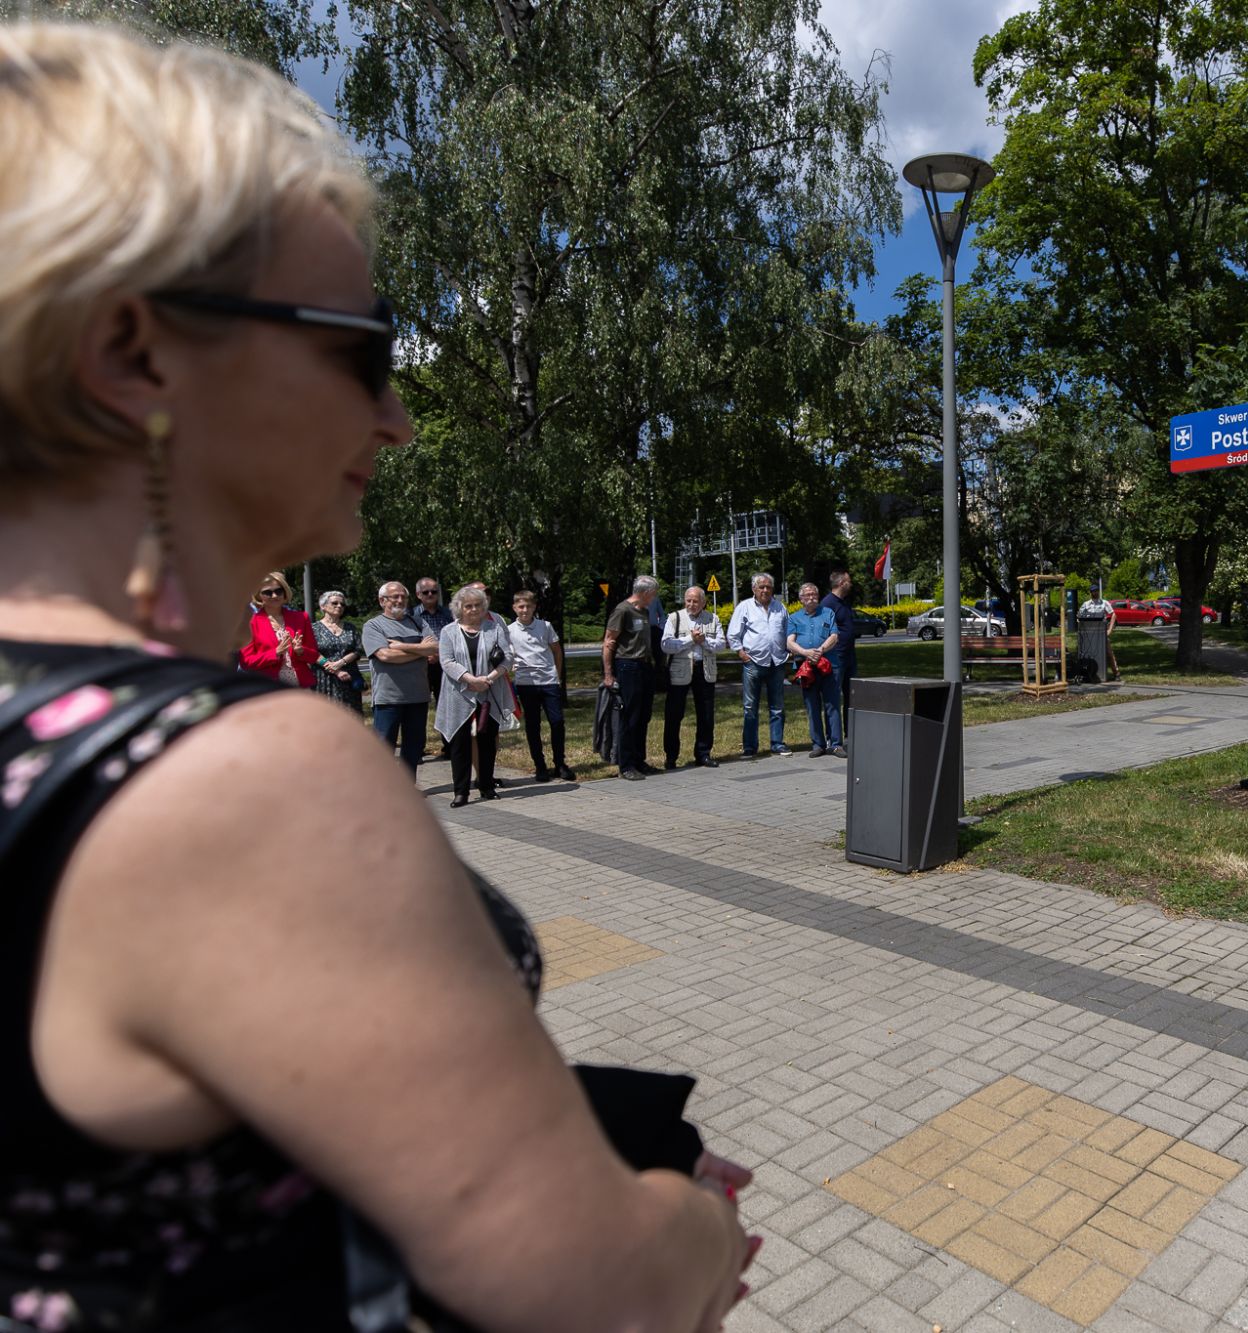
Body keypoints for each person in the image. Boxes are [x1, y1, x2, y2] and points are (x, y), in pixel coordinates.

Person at [0, 25, 752, 1327]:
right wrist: (690, 1224)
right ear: (132, 351)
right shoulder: (235, 776)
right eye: (364, 345)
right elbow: (598, 1297)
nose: (398, 416)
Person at [437, 584, 515, 806]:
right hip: (459, 693)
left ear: (484, 607)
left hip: (489, 690)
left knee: (487, 740)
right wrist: (470, 680)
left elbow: (507, 658)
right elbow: (447, 661)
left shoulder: (494, 628)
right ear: (459, 608)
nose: (473, 610)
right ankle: (460, 791)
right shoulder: (448, 631)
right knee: (459, 742)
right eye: (468, 606)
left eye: (477, 605)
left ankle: (487, 786)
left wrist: (488, 679)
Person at [362, 580, 435, 773]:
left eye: (403, 596)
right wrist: (420, 650)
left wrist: (402, 646)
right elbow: (385, 655)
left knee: (414, 747)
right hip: (388, 698)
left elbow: (435, 648)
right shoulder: (373, 626)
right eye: (395, 596)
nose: (400, 600)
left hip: (418, 696)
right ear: (382, 601)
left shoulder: (418, 622)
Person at [507, 588, 573, 782]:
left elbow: (556, 650)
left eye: (528, 606)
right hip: (526, 683)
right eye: (521, 606)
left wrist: (557, 676)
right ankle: (540, 765)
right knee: (533, 725)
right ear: (514, 608)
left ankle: (560, 763)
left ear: (534, 607)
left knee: (557, 722)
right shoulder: (509, 630)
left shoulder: (545, 626)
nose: (525, 610)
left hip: (549, 681)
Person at [660, 585, 726, 770]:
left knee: (705, 715)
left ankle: (703, 754)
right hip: (680, 671)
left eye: (696, 601)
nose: (691, 604)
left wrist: (704, 640)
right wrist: (690, 639)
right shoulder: (675, 618)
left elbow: (721, 645)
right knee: (674, 715)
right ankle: (671, 756)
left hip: (704, 671)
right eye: (688, 600)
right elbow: (666, 645)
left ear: (703, 602)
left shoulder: (712, 618)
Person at [601, 575, 660, 780]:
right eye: (653, 594)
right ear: (644, 593)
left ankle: (638, 760)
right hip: (628, 666)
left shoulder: (643, 611)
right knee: (629, 717)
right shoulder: (622, 610)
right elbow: (609, 642)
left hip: (644, 666)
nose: (654, 599)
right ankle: (625, 764)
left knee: (644, 716)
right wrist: (608, 674)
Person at [729, 572, 790, 758]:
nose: (765, 590)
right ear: (754, 589)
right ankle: (749, 747)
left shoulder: (780, 607)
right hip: (753, 663)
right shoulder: (744, 607)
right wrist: (742, 654)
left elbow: (788, 632)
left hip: (777, 662)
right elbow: (733, 634)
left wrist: (789, 652)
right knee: (750, 707)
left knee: (777, 706)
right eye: (761, 587)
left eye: (768, 587)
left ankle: (777, 743)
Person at [787, 581, 844, 758]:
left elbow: (834, 636)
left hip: (829, 665)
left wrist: (821, 650)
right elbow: (789, 642)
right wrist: (805, 652)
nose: (811, 598)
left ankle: (835, 744)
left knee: (832, 705)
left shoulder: (828, 613)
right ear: (801, 599)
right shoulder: (794, 618)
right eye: (807, 595)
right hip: (807, 668)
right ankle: (818, 744)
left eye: (814, 595)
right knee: (812, 706)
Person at [238, 570, 318, 686]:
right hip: (267, 687)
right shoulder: (250, 623)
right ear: (259, 596)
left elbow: (314, 655)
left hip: (299, 685)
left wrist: (301, 651)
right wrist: (275, 653)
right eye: (268, 593)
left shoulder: (301, 618)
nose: (274, 596)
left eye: (278, 591)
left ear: (285, 593)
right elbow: (246, 662)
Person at [410, 575, 453, 757]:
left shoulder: (449, 614)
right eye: (425, 592)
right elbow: (410, 641)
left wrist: (440, 655)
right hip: (421, 667)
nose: (430, 595)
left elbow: (454, 639)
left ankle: (450, 747)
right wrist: (426, 654)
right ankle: (416, 750)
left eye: (434, 592)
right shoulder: (411, 616)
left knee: (447, 707)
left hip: (445, 666)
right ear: (418, 594)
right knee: (418, 708)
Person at [309, 588, 364, 714]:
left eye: (342, 604)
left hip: (348, 679)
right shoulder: (313, 629)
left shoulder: (350, 628)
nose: (339, 606)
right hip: (323, 679)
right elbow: (312, 652)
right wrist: (335, 670)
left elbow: (358, 650)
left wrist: (341, 663)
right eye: (335, 603)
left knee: (350, 717)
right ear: (323, 606)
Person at [822, 568, 860, 720]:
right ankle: (833, 736)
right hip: (836, 658)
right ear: (841, 583)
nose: (851, 584)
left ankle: (849, 733)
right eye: (849, 581)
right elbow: (823, 631)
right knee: (833, 696)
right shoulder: (827, 604)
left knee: (852, 695)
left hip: (850, 656)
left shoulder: (844, 603)